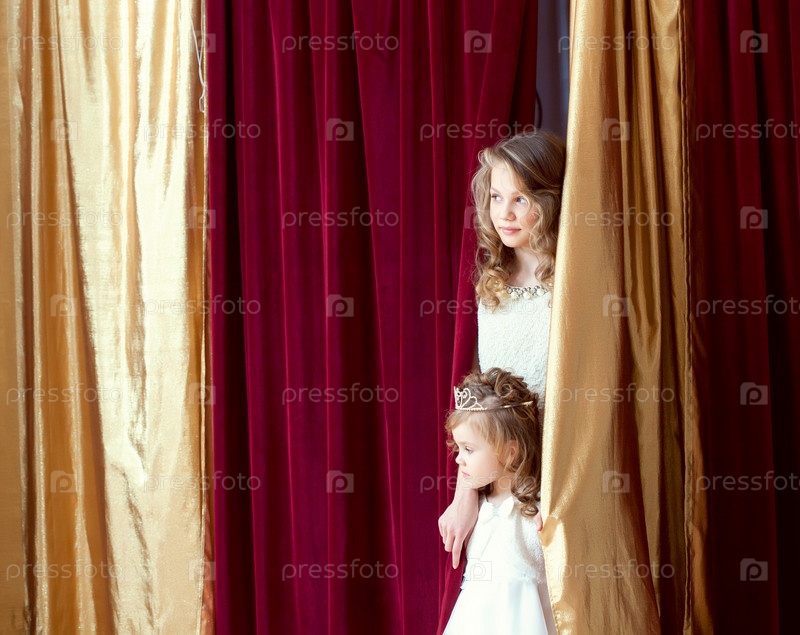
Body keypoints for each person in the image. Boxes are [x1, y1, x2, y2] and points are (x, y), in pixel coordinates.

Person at [439, 130, 566, 569]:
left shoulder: (572, 285)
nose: (504, 214)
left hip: (555, 487)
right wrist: (465, 494)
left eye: (520, 199)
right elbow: (478, 398)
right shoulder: (489, 285)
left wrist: (565, 494)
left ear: (549, 203)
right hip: (500, 487)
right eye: (496, 197)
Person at [442, 368, 557, 635]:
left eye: (468, 449)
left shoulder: (535, 511)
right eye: (458, 448)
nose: (458, 459)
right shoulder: (476, 509)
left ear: (509, 452)